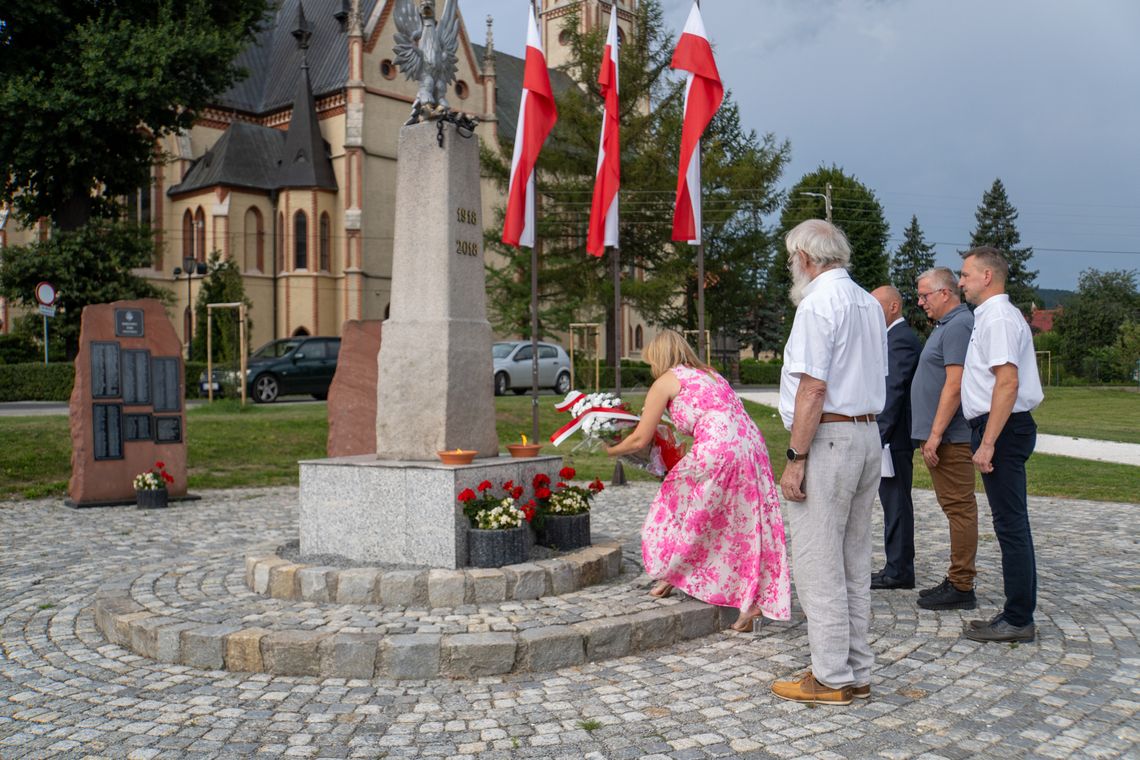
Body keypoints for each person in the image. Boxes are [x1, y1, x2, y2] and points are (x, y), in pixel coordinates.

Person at [771, 219, 887, 706]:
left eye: (791, 258)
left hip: (831, 438)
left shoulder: (819, 302)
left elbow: (812, 388)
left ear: (804, 256)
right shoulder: (866, 302)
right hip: (865, 435)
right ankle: (855, 669)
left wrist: (796, 458)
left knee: (819, 561)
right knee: (853, 560)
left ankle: (831, 676)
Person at [605, 329, 790, 633]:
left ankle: (671, 571)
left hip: (718, 447)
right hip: (751, 445)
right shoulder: (711, 374)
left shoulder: (666, 380)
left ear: (659, 356)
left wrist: (609, 448)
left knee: (673, 507)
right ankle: (748, 601)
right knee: (743, 524)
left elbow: (640, 438)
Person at [957, 246, 1043, 643]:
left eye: (965, 274)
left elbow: (1007, 382)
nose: (961, 282)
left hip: (1003, 429)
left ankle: (1019, 617)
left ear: (987, 277)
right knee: (1008, 522)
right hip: (996, 427)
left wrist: (988, 441)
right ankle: (1015, 613)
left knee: (1011, 524)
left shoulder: (1000, 319)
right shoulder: (989, 317)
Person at [910, 267, 979, 611]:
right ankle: (958, 578)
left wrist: (935, 434)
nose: (920, 302)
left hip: (952, 437)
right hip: (943, 437)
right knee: (954, 507)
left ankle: (961, 584)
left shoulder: (959, 326)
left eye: (925, 295)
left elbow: (955, 385)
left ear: (945, 293)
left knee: (959, 508)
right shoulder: (946, 326)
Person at [869, 285, 921, 591]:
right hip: (892, 436)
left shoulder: (899, 340)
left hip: (894, 438)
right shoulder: (891, 338)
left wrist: (878, 437)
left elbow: (893, 391)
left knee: (897, 504)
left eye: (878, 308)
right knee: (893, 504)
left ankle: (899, 570)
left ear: (894, 307)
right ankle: (895, 565)